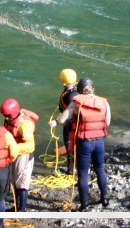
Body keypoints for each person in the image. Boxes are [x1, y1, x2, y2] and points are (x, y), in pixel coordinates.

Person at [50, 77, 110, 212]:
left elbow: (61, 119)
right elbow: (108, 121)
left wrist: (61, 121)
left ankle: (84, 204)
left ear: (79, 90)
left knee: (83, 173)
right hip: (99, 141)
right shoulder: (104, 102)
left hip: (84, 143)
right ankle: (104, 198)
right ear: (93, 88)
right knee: (100, 169)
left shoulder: (77, 102)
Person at [0, 99, 39, 212]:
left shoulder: (24, 124)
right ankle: (17, 206)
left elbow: (30, 145)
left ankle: (22, 209)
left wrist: (15, 148)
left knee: (22, 181)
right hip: (14, 153)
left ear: (13, 113)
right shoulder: (9, 121)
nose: (6, 118)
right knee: (13, 180)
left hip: (24, 155)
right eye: (4, 115)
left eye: (7, 116)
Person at [57, 68, 79, 173]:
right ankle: (73, 167)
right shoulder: (71, 91)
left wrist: (60, 121)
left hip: (70, 125)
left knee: (70, 145)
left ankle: (72, 170)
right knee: (70, 145)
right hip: (69, 124)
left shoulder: (71, 95)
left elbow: (73, 113)